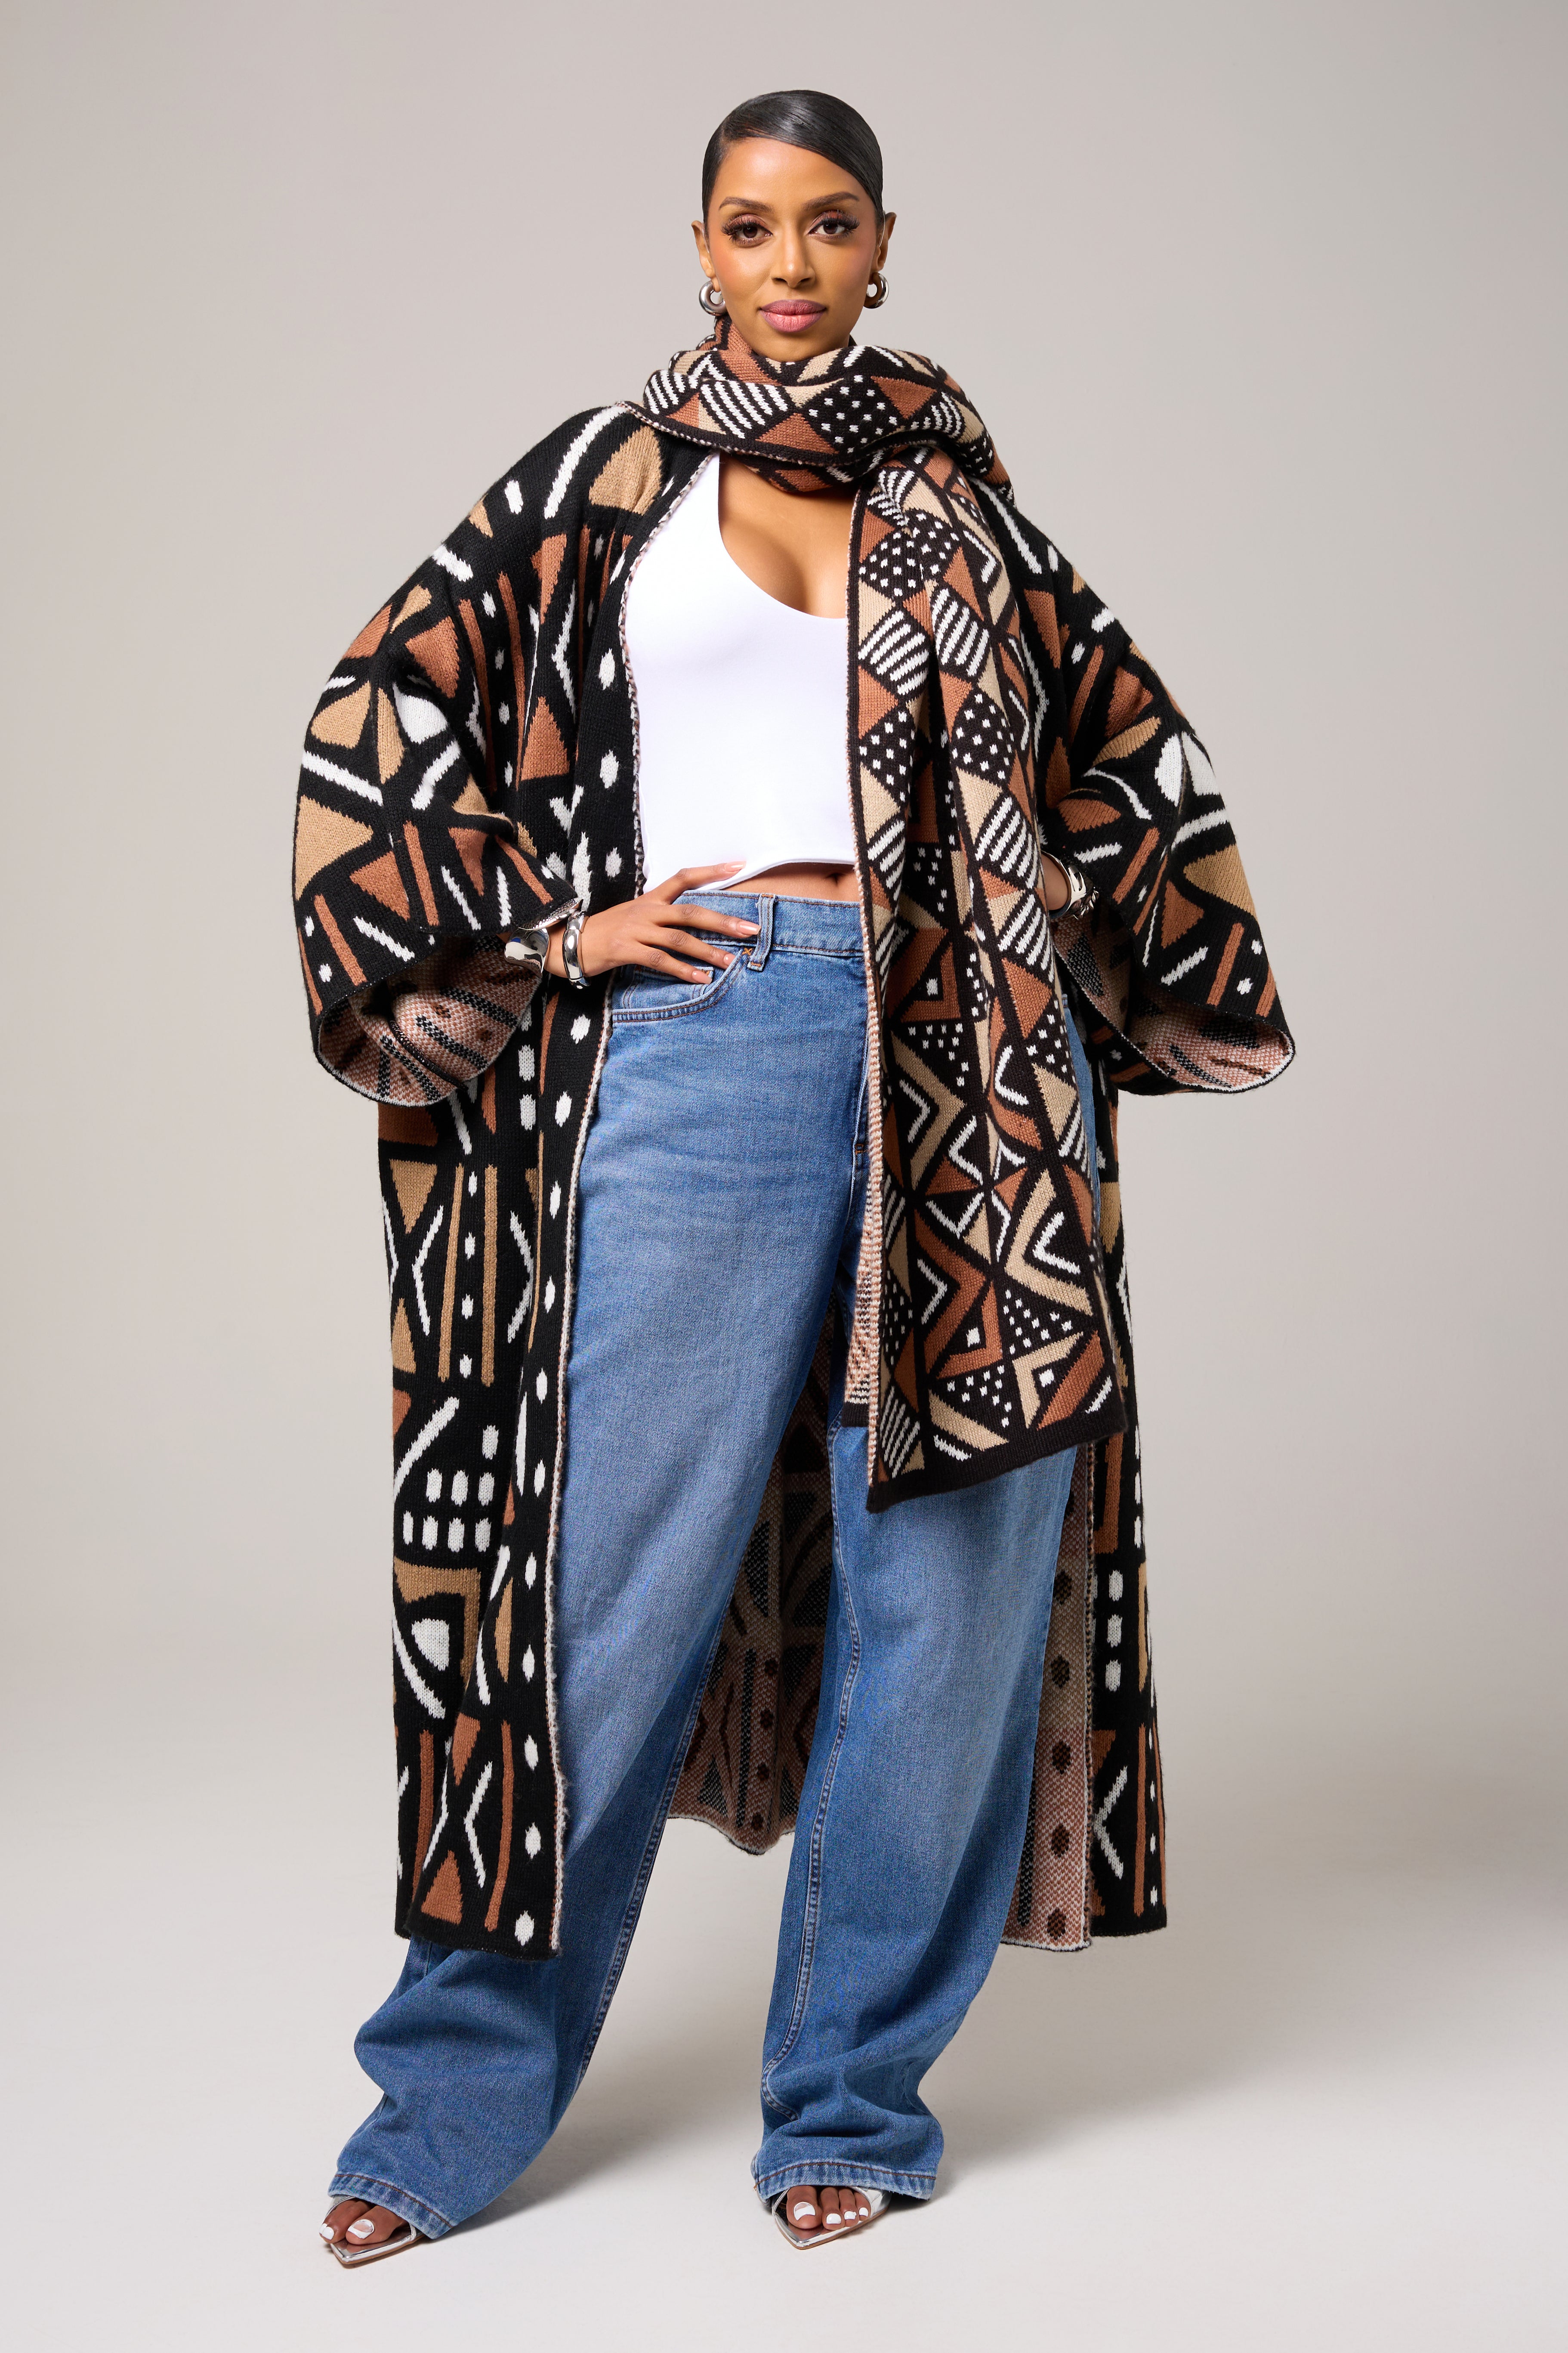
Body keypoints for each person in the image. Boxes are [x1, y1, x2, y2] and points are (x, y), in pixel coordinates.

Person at [295, 88, 1292, 2263]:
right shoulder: (598, 483)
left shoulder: (966, 506)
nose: (789, 263)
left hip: (970, 1069)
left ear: (881, 245)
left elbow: (1132, 767)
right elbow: (375, 720)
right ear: (700, 243)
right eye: (751, 225)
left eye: (828, 225)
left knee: (947, 1592)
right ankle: (450, 2093)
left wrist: (1063, 944)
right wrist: (554, 933)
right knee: (596, 1585)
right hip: (712, 1027)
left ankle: (848, 2092)